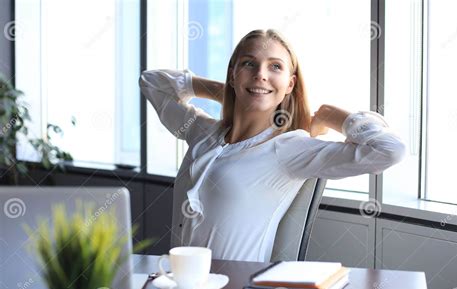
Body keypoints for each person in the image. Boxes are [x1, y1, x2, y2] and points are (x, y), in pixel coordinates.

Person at [139, 29, 405, 262]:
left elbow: (389, 150)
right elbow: (151, 82)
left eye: (275, 66)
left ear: (290, 84)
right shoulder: (203, 132)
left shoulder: (290, 149)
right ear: (232, 74)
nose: (261, 75)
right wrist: (227, 92)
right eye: (248, 64)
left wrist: (333, 116)